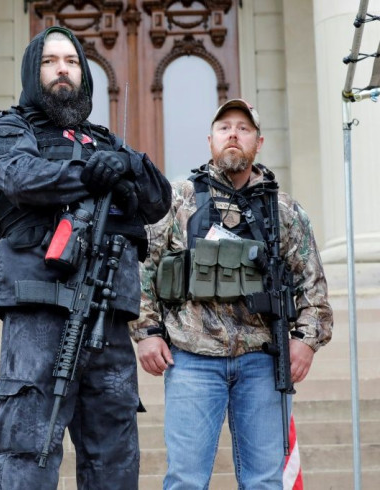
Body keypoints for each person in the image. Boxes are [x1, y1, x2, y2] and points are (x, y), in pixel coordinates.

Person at [0, 26, 172, 489]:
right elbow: (21, 178)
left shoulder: (106, 142)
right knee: (26, 446)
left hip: (107, 315)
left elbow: (158, 199)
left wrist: (126, 164)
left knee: (114, 454)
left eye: (71, 61)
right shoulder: (8, 129)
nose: (62, 70)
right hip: (41, 309)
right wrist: (91, 173)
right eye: (50, 61)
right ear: (32, 70)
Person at [133, 98, 333, 488]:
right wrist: (146, 332)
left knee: (264, 482)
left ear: (258, 142)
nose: (233, 135)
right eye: (225, 128)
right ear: (210, 140)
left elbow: (313, 286)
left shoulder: (284, 210)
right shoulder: (178, 199)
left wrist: (306, 341)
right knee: (185, 480)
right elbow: (143, 266)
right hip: (191, 359)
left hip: (262, 360)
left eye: (243, 128)